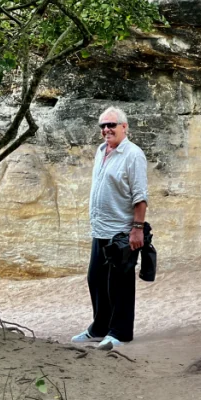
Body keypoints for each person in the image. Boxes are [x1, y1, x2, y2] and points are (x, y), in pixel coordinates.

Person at [71, 106, 149, 350]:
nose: (106, 129)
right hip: (101, 230)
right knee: (95, 279)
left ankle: (121, 332)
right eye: (103, 126)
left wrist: (137, 228)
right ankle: (100, 327)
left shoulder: (133, 155)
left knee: (120, 284)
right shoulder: (101, 150)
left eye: (111, 125)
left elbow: (140, 196)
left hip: (121, 232)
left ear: (124, 127)